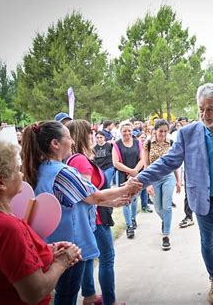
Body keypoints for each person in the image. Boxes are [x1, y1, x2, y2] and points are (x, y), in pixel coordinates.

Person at [135, 83, 213, 305]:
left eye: (210, 109)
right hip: (202, 199)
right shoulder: (188, 133)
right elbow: (168, 161)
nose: (204, 114)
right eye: (201, 108)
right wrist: (140, 179)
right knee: (208, 243)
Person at [21, 121, 141, 305]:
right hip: (70, 245)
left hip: (51, 243)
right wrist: (127, 187)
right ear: (55, 143)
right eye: (68, 137)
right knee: (67, 295)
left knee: (64, 293)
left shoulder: (39, 170)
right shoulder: (62, 172)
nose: (71, 141)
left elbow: (79, 199)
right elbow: (95, 197)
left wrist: (113, 202)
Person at [0, 139, 81, 305]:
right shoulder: (6, 228)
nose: (22, 174)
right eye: (16, 169)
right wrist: (62, 262)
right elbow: (34, 293)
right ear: (1, 182)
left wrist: (45, 251)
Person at [66, 120, 119, 305]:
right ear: (83, 136)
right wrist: (116, 196)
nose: (94, 136)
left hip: (91, 216)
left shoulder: (73, 159)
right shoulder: (80, 160)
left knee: (87, 258)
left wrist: (113, 201)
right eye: (91, 133)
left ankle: (89, 295)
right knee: (107, 258)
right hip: (95, 218)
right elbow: (87, 196)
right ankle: (108, 301)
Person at [143, 120, 181, 250]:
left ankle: (166, 235)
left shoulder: (171, 143)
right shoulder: (148, 143)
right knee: (158, 208)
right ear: (155, 131)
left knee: (167, 205)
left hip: (168, 177)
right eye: (161, 131)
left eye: (165, 131)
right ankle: (165, 221)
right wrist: (147, 183)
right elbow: (146, 164)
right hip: (153, 178)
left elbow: (174, 163)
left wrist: (177, 180)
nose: (163, 134)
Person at [112, 121, 143, 239]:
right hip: (122, 175)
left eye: (129, 130)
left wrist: (135, 171)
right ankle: (129, 226)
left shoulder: (138, 142)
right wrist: (130, 171)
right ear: (121, 132)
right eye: (124, 131)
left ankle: (133, 218)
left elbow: (142, 159)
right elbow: (116, 162)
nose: (127, 133)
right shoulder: (116, 144)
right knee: (126, 200)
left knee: (134, 199)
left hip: (136, 174)